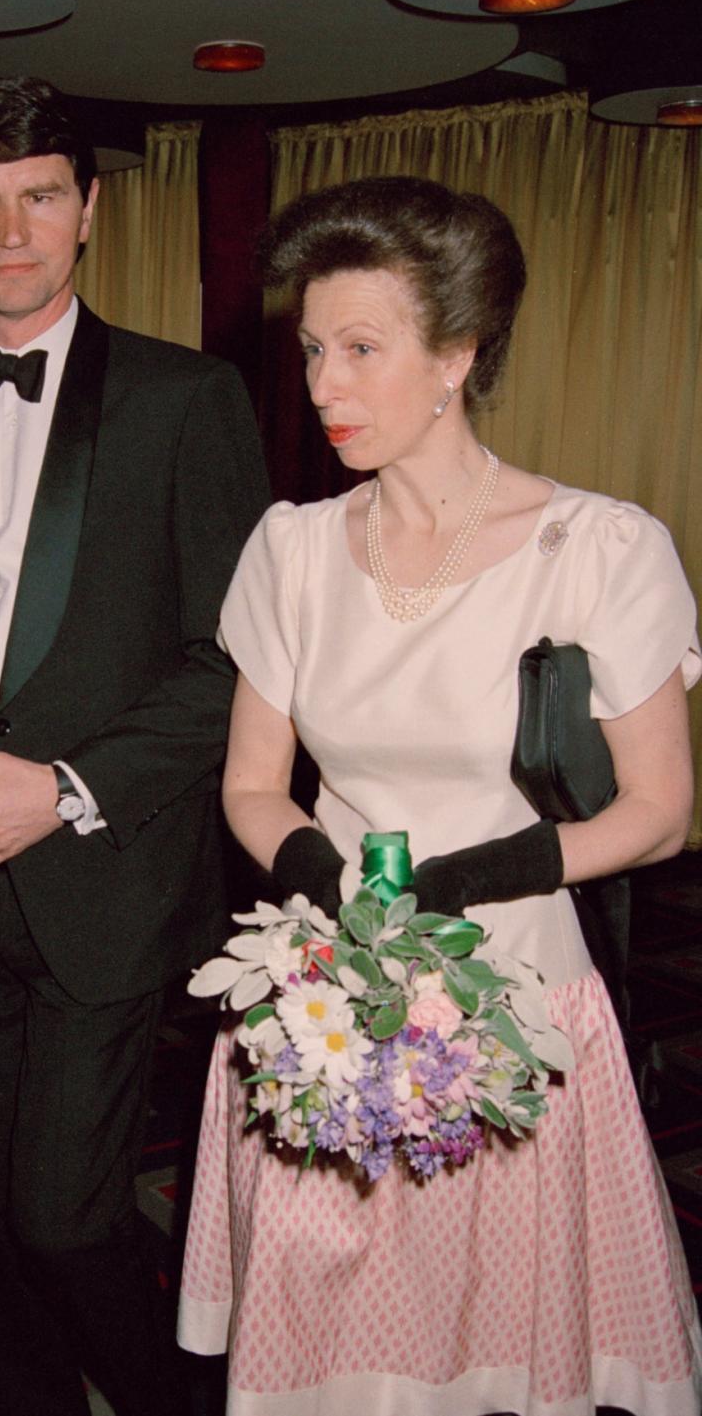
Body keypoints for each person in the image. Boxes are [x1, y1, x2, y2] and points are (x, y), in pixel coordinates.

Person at [178, 176, 702, 1415]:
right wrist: (340, 894)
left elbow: (661, 811)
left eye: (362, 349)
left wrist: (468, 885)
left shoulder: (599, 548)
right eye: (313, 348)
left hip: (515, 986)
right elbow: (253, 784)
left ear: (458, 355)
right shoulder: (293, 551)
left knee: (498, 1336)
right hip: (325, 983)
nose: (322, 386)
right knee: (325, 1327)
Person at [0, 76, 269, 1416]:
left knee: (62, 1217)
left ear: (86, 212)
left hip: (106, 879)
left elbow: (238, 663)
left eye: (38, 198)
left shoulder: (188, 400)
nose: (9, 229)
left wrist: (68, 788)